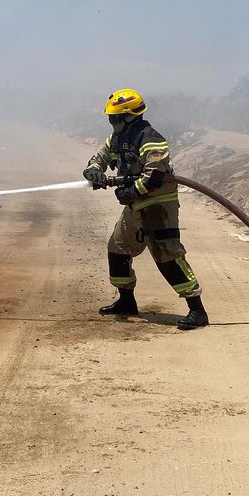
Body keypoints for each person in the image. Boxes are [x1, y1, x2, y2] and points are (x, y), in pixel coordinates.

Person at [83, 89, 208, 330]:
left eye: (114, 118)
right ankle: (127, 301)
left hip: (157, 206)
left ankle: (197, 310)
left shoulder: (150, 138)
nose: (111, 122)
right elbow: (100, 157)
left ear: (129, 116)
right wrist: (93, 171)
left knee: (167, 256)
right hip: (135, 206)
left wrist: (133, 191)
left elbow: (155, 174)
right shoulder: (117, 138)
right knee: (117, 249)